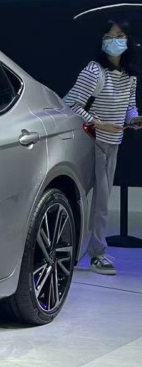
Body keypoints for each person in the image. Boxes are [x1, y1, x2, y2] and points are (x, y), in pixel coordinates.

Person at [64, 17, 142, 276]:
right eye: (108, 37)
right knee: (96, 202)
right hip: (92, 141)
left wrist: (133, 119)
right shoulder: (94, 71)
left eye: (118, 36)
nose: (113, 41)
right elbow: (69, 104)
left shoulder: (129, 75)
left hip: (113, 142)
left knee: (101, 200)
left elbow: (130, 105)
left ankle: (94, 251)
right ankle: (95, 254)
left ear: (127, 40)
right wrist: (98, 123)